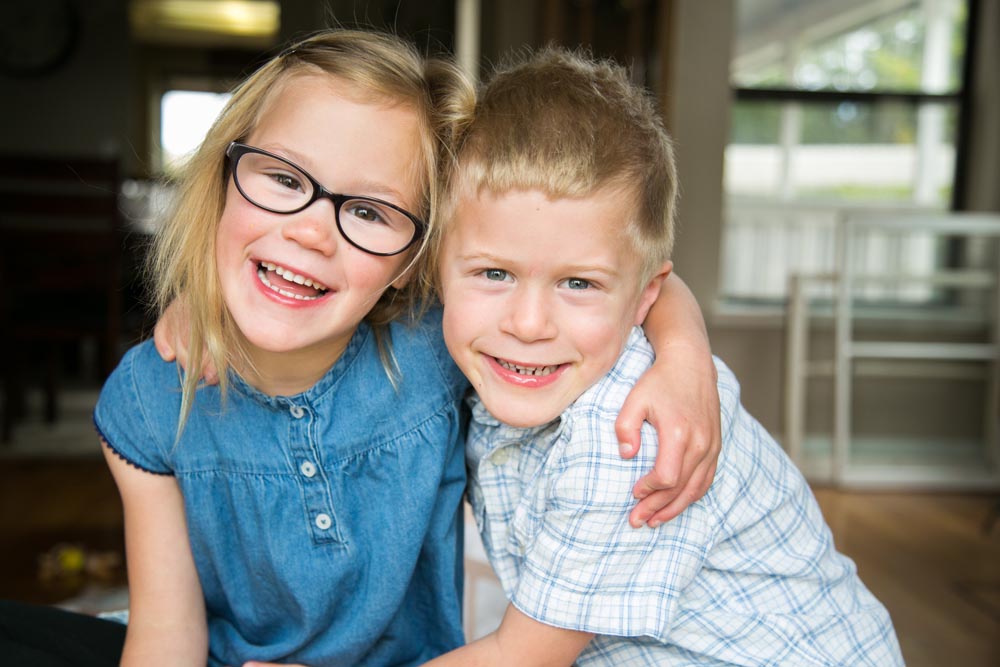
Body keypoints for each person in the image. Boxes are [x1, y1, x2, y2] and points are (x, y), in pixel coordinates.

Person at [0, 29, 722, 667]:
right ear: (223, 177)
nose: (312, 232)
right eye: (283, 179)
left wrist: (683, 354)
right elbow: (166, 634)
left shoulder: (437, 345)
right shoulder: (149, 399)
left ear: (416, 260)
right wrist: (203, 295)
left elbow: (600, 273)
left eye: (370, 211)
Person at [421, 47, 905, 666]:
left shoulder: (628, 441)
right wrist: (683, 344)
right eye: (494, 273)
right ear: (437, 269)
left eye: (578, 284)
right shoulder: (506, 360)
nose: (528, 323)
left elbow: (519, 659)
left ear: (642, 296)